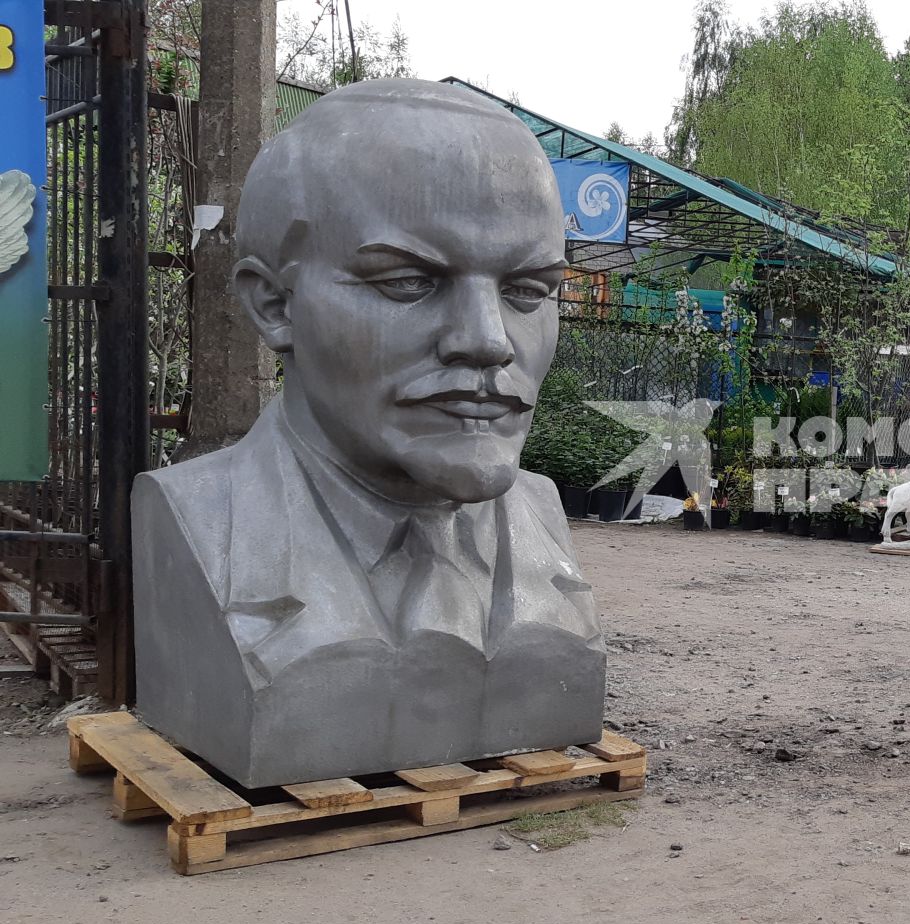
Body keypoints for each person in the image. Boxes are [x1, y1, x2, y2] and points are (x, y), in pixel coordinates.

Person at [129, 79, 602, 787]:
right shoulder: (196, 519)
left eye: (527, 291)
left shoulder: (540, 524)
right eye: (409, 282)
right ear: (275, 304)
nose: (487, 341)